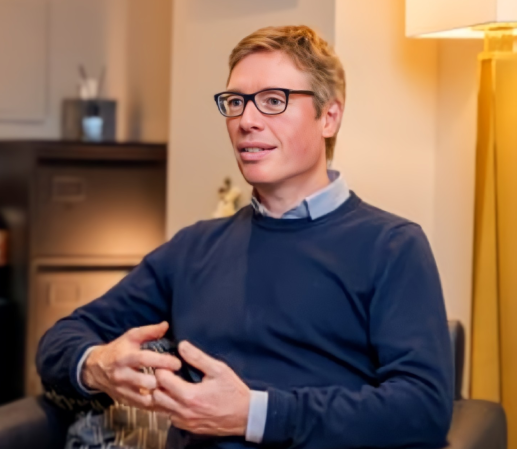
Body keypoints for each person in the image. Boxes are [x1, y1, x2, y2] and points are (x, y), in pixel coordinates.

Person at [37, 25, 453, 449]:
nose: (246, 121)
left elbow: (421, 409)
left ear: (329, 117)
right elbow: (60, 340)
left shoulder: (392, 246)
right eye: (236, 102)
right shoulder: (194, 248)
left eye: (274, 101)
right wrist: (98, 363)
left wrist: (254, 415)